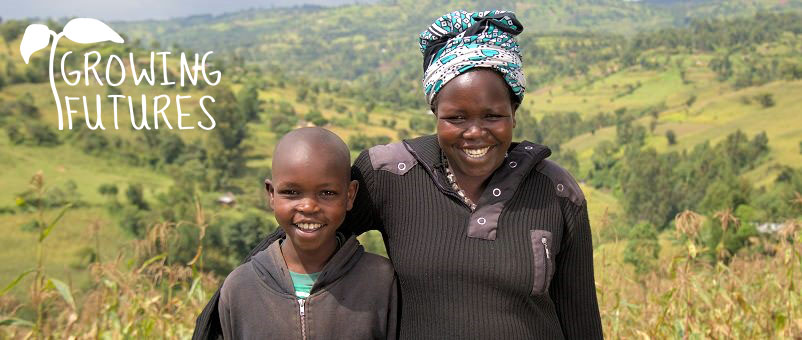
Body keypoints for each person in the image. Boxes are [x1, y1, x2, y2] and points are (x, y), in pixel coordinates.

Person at [195, 10, 602, 339]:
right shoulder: (392, 174)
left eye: (493, 115)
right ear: (434, 114)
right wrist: (231, 304)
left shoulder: (556, 192)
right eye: (455, 117)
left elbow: (581, 319)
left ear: (514, 112)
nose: (475, 132)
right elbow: (308, 227)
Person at [215, 127, 397, 339]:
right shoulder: (240, 287)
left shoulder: (380, 281)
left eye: (327, 193)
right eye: (291, 192)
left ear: (350, 195)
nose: (309, 206)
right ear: (271, 194)